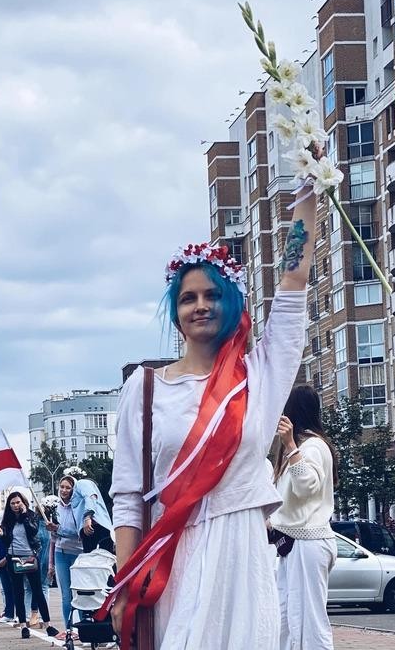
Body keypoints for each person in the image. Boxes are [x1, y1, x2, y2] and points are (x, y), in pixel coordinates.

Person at [107, 177, 319, 649]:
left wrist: (310, 188)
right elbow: (127, 497)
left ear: (231, 303)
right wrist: (124, 586)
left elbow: (293, 280)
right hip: (169, 560)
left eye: (212, 295)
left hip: (241, 554)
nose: (200, 305)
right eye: (188, 297)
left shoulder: (260, 375)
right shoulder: (142, 389)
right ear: (174, 311)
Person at [269, 385, 338, 649]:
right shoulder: (305, 447)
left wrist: (289, 445)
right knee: (286, 616)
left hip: (309, 542)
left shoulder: (313, 447)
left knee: (310, 620)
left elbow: (306, 486)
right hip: (294, 543)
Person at [1, 491, 58, 639]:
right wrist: (1, 534)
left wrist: (25, 515)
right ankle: (23, 626)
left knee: (37, 591)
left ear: (23, 502)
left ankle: (48, 625)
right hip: (13, 558)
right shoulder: (7, 519)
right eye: (12, 503)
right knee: (18, 592)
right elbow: (7, 541)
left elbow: (33, 532)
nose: (15, 505)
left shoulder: (31, 515)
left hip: (30, 557)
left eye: (18, 502)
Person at [46, 476, 87, 638]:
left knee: (81, 593)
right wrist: (51, 565)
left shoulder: (79, 507)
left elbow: (80, 534)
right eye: (62, 487)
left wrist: (59, 529)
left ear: (74, 489)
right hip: (60, 554)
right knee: (66, 596)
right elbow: (53, 540)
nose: (64, 490)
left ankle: (83, 628)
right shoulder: (56, 509)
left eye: (68, 487)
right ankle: (69, 628)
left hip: (78, 554)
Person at [0, 517, 15, 623]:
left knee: (15, 590)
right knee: (6, 590)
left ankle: (18, 613)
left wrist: (5, 559)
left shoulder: (8, 532)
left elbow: (11, 546)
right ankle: (8, 613)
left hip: (9, 562)